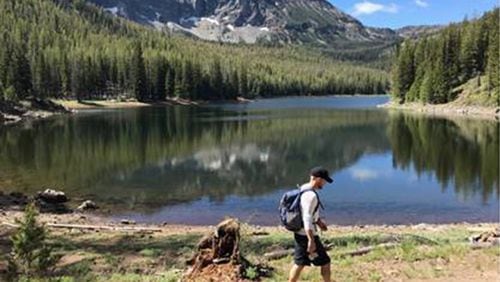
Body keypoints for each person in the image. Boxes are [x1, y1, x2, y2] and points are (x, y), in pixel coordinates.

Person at [288, 166, 333, 282]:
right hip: (307, 235)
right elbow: (306, 217)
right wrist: (311, 240)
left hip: (300, 233)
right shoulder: (311, 195)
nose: (324, 183)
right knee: (325, 262)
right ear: (317, 179)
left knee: (299, 263)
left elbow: (308, 212)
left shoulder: (304, 188)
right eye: (324, 180)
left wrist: (318, 222)